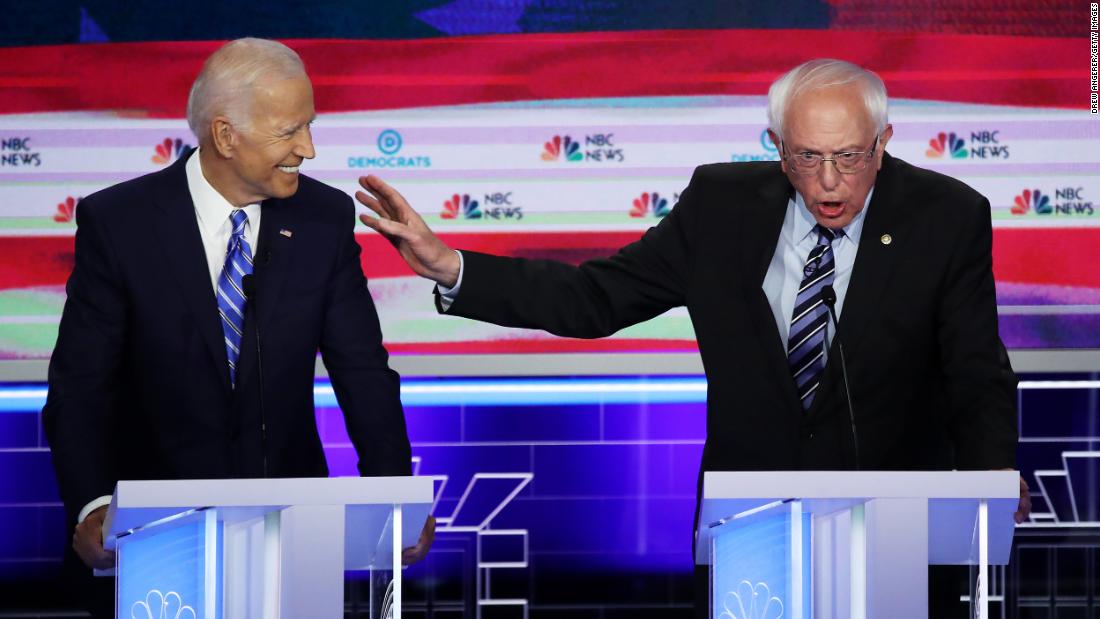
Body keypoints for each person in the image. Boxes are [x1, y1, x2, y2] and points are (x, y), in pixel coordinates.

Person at [354, 59, 1029, 616]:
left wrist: (995, 465)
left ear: (884, 141)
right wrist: (453, 267)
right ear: (776, 147)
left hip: (896, 526)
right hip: (752, 526)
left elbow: (975, 366)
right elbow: (594, 297)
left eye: (850, 158)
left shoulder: (946, 215)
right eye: (808, 157)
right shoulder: (721, 205)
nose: (829, 182)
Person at [42, 38, 433, 617]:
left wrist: (391, 495)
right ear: (225, 135)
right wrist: (93, 504)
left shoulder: (323, 219)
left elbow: (363, 372)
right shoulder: (120, 223)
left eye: (310, 126)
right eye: (289, 132)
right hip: (152, 533)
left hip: (291, 532)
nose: (309, 148)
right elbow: (79, 387)